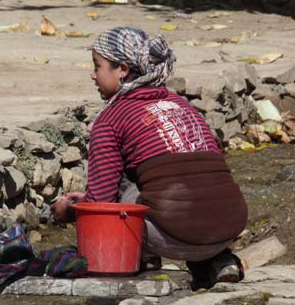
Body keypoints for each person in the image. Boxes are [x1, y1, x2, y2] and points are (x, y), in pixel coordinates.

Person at [52, 26, 248, 288]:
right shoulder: (182, 105)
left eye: (97, 66)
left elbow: (102, 202)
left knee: (125, 186)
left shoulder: (111, 120)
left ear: (122, 69)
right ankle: (220, 261)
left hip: (177, 235)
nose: (92, 75)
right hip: (228, 226)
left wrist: (71, 211)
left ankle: (141, 256)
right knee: (177, 185)